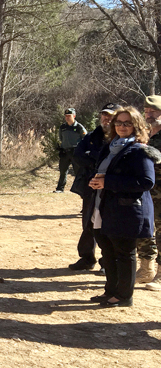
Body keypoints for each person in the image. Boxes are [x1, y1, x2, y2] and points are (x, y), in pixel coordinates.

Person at [87, 106, 158, 307]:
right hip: (104, 207)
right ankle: (110, 291)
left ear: (136, 125)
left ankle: (124, 296)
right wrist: (96, 181)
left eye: (127, 123)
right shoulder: (110, 146)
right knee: (107, 251)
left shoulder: (140, 150)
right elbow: (104, 173)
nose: (122, 126)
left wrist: (108, 182)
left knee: (124, 253)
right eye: (119, 122)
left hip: (127, 211)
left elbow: (146, 182)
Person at [68, 103, 121, 272]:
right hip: (90, 186)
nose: (106, 118)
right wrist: (97, 162)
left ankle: (108, 262)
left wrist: (94, 157)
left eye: (110, 116)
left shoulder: (121, 138)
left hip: (112, 189)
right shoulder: (92, 136)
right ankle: (86, 258)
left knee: (108, 226)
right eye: (104, 115)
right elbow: (78, 155)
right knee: (88, 223)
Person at [141, 96, 161, 290]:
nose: (149, 115)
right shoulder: (146, 136)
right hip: (147, 192)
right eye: (147, 111)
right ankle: (147, 269)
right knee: (144, 228)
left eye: (154, 111)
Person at [55, 108, 87, 192]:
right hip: (65, 152)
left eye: (69, 116)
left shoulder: (79, 127)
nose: (67, 117)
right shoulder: (63, 127)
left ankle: (80, 188)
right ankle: (60, 189)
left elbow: (86, 139)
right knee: (63, 171)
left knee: (78, 171)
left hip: (75, 151)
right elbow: (61, 138)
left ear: (74, 116)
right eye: (66, 116)